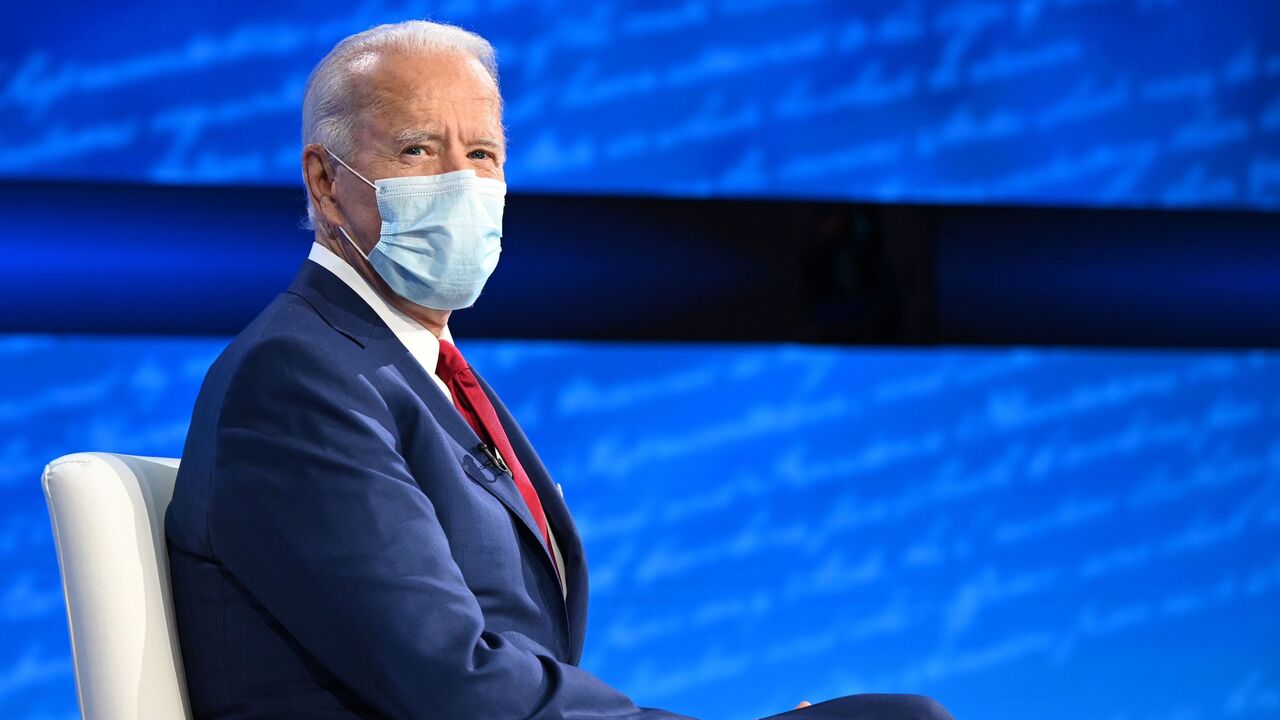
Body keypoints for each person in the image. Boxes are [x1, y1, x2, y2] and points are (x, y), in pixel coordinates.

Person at [164, 19, 955, 720]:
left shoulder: (405, 366)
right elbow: (453, 682)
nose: (462, 184)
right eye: (417, 150)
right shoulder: (299, 378)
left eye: (482, 153)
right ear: (325, 180)